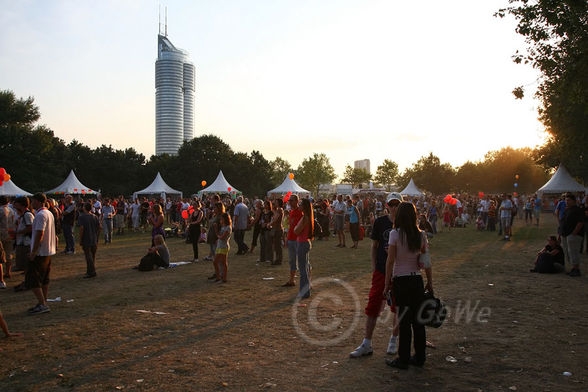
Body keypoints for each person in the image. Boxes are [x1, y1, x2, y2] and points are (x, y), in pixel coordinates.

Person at [350, 196, 401, 359]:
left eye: (396, 204)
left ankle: (393, 339)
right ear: (386, 205)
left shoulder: (405, 223)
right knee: (373, 305)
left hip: (399, 271)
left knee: (398, 307)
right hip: (381, 270)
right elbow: (374, 246)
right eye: (391, 204)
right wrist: (373, 266)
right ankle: (366, 343)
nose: (393, 207)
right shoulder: (380, 222)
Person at [384, 202, 433, 369]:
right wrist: (430, 283)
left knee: (404, 322)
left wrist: (386, 285)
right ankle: (420, 357)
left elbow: (390, 261)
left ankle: (403, 358)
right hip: (416, 280)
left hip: (401, 280)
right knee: (418, 322)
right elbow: (426, 262)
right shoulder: (421, 235)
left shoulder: (395, 234)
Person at [26, 193, 56, 315]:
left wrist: (33, 251)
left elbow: (40, 233)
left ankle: (42, 304)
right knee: (44, 279)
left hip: (40, 252)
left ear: (37, 201)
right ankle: (43, 301)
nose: (31, 203)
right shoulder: (48, 213)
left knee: (33, 279)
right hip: (48, 250)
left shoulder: (40, 215)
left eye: (33, 201)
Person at [294, 198, 313, 299]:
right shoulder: (306, 217)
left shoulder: (305, 218)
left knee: (302, 269)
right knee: (305, 267)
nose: (299, 206)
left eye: (300, 204)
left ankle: (304, 292)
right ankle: (306, 290)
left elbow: (296, 231)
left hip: (302, 243)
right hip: (304, 242)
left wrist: (295, 228)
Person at [560, 193, 584, 277]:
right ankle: (573, 268)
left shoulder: (578, 210)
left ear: (574, 201)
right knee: (568, 252)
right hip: (565, 234)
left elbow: (580, 222)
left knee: (573, 252)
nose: (567, 202)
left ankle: (576, 269)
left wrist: (574, 232)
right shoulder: (567, 209)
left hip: (573, 235)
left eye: (568, 200)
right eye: (566, 200)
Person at [283, 195, 301, 287]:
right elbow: (290, 227)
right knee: (292, 260)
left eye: (292, 200)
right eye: (289, 200)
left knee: (303, 260)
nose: (290, 202)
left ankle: (307, 280)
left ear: (297, 201)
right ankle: (291, 280)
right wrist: (287, 238)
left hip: (298, 239)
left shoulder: (300, 212)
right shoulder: (292, 212)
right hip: (291, 239)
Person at [78, 202, 100, 278]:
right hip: (94, 238)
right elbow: (99, 227)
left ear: (84, 208)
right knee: (92, 256)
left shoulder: (82, 217)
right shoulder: (95, 217)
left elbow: (81, 228)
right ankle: (90, 270)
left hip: (86, 238)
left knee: (88, 256)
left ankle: (91, 272)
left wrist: (80, 239)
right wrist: (97, 236)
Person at [13, 196, 33, 272]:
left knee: (25, 260)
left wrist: (17, 232)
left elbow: (30, 228)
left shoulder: (27, 215)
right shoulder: (23, 214)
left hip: (26, 241)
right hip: (22, 241)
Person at [213, 213, 232, 282]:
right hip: (220, 245)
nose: (220, 220)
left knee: (220, 262)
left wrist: (217, 235)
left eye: (222, 219)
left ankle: (223, 278)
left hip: (223, 246)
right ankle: (219, 277)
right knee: (219, 262)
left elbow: (222, 237)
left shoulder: (228, 227)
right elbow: (219, 235)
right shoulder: (223, 227)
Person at [0, 196, 15, 279]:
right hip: (10, 233)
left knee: (1, 253)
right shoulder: (11, 210)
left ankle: (2, 273)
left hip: (1, 233)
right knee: (9, 253)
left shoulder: (0, 210)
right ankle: (8, 271)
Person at [270, 199, 284, 265]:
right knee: (276, 245)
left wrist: (269, 224)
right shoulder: (277, 209)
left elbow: (276, 218)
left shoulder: (279, 209)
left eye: (275, 202)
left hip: (278, 229)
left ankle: (279, 260)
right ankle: (277, 259)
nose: (274, 203)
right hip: (276, 229)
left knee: (278, 246)